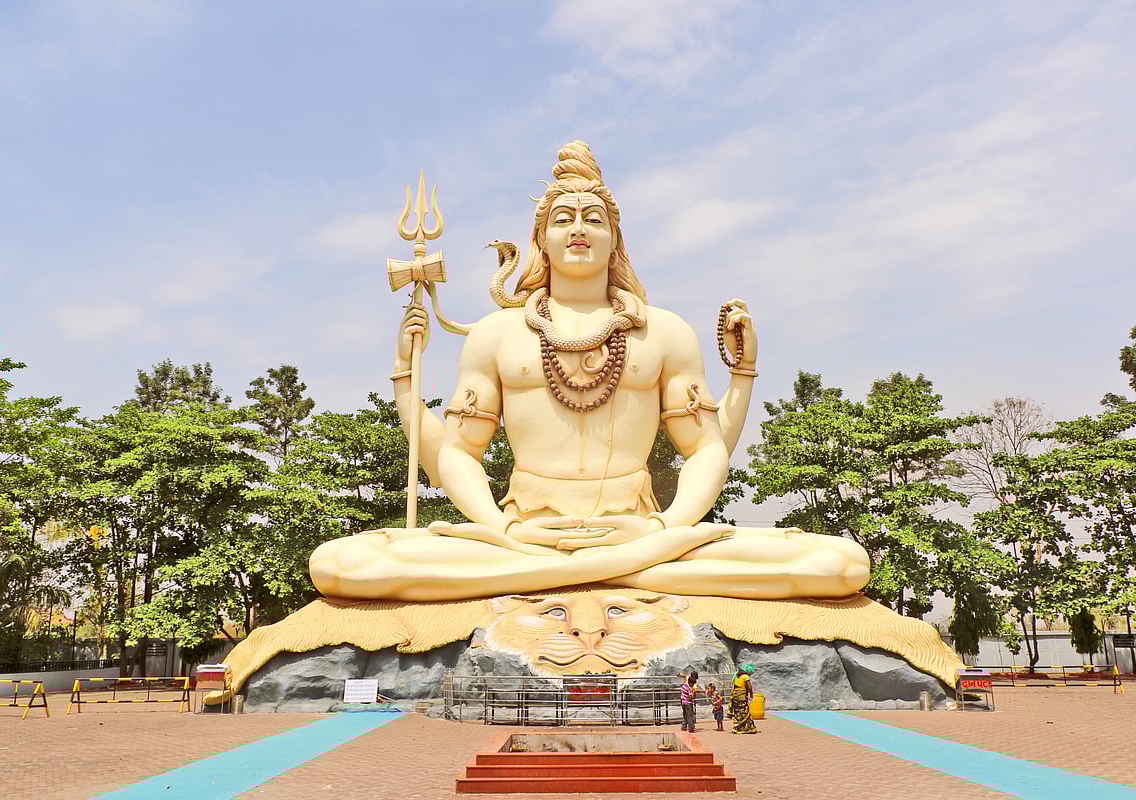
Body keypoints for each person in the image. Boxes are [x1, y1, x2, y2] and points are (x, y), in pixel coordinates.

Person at [308, 141, 871, 603]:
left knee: (843, 563)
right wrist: (500, 529)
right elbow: (455, 453)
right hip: (524, 531)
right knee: (338, 564)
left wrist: (669, 527)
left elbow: (705, 450)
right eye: (563, 218)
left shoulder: (663, 332)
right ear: (541, 240)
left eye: (593, 219)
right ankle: (617, 572)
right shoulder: (496, 335)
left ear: (614, 238)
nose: (578, 229)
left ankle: (597, 568)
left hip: (639, 528)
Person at [729, 664, 760, 734]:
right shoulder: (745, 677)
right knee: (745, 712)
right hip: (741, 698)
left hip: (735, 697)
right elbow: (749, 687)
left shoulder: (736, 676)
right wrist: (751, 695)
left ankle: (737, 728)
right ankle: (747, 729)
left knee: (738, 713)